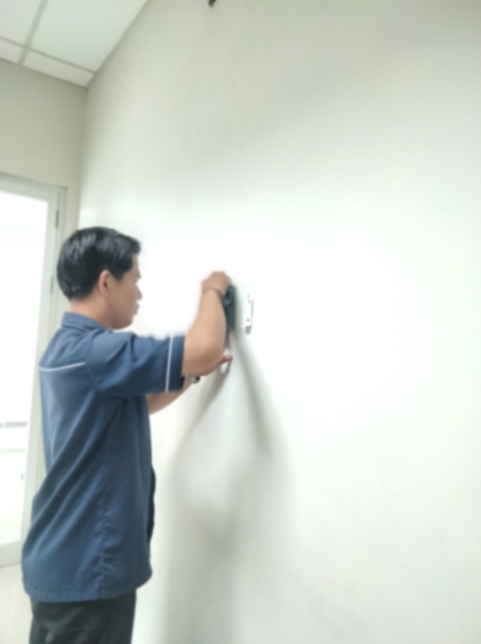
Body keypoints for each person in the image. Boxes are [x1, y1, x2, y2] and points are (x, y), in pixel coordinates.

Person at [21, 226, 232, 644]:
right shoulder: (98, 351)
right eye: (134, 281)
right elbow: (205, 345)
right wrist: (212, 290)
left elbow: (139, 403)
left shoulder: (64, 348)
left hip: (60, 556)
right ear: (106, 282)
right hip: (87, 570)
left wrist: (189, 374)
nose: (139, 294)